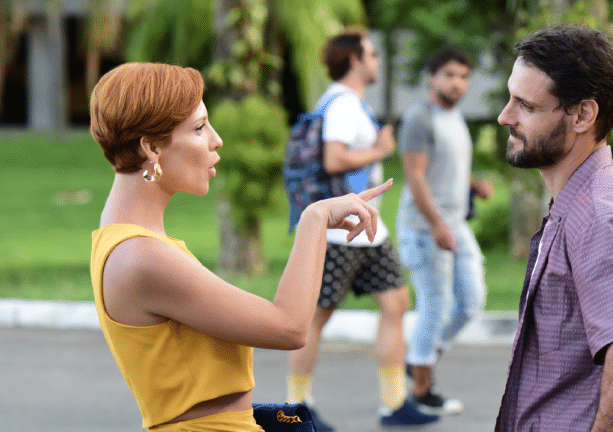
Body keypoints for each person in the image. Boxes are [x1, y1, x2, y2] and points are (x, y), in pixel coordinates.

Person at [89, 62, 392, 432]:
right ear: (151, 148)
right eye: (199, 128)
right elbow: (291, 328)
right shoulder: (142, 257)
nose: (216, 140)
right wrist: (314, 220)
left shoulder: (124, 239)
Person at [495, 25, 613, 432]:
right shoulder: (583, 201)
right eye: (510, 98)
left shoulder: (603, 213)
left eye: (525, 105)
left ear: (582, 114)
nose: (504, 116)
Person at [285, 29, 439, 429]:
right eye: (371, 53)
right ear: (354, 60)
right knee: (313, 320)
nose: (377, 60)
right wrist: (381, 151)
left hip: (368, 228)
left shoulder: (347, 103)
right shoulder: (341, 106)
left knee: (396, 303)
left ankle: (394, 404)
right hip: (340, 231)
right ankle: (293, 410)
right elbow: (334, 160)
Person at [396, 47, 491, 415]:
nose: (458, 83)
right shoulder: (420, 118)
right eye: (450, 75)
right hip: (425, 228)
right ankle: (421, 391)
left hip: (456, 225)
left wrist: (472, 186)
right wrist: (436, 225)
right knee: (434, 308)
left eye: (464, 76)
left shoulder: (456, 117)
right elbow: (416, 177)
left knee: (470, 303)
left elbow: (446, 169)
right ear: (432, 77)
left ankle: (421, 358)